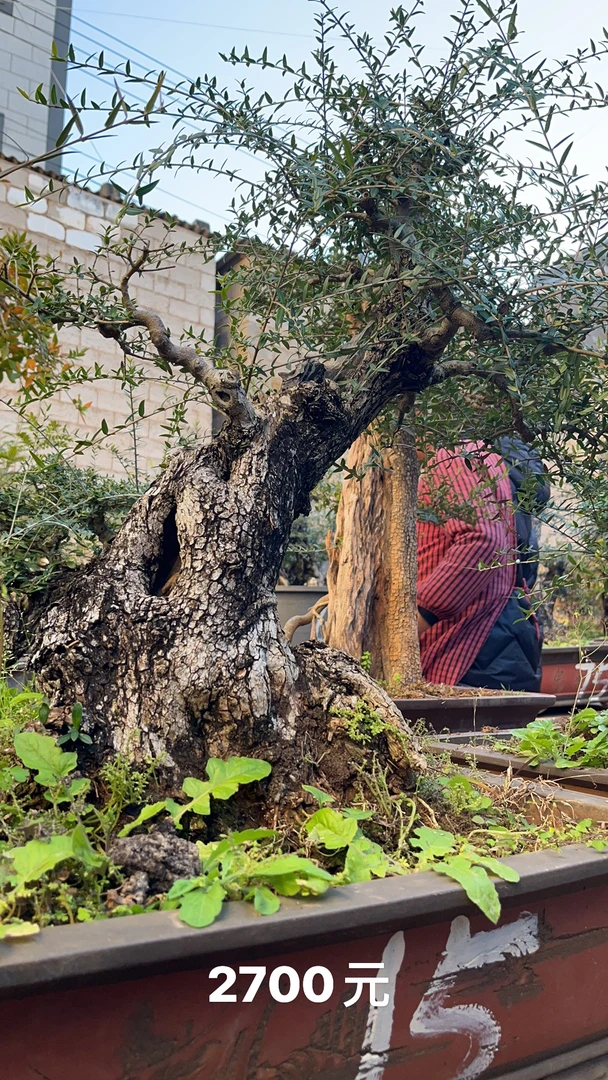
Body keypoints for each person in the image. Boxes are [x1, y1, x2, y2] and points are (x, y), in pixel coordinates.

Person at [416, 439, 545, 692]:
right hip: (501, 639)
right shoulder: (483, 458)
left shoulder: (452, 456)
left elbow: (482, 541)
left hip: (465, 648)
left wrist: (418, 618)